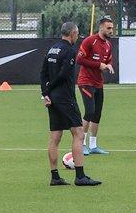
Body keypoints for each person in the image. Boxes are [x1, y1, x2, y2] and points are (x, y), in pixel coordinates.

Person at [41, 22, 100, 186]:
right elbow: (64, 74)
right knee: (79, 133)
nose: (78, 36)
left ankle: (55, 177)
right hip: (65, 97)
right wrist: (51, 88)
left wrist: (45, 92)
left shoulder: (52, 49)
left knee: (55, 136)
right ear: (72, 33)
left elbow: (43, 72)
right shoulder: (69, 50)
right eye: (77, 34)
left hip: (52, 97)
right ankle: (80, 176)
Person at [77, 16, 115, 155]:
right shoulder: (89, 41)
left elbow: (108, 60)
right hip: (86, 81)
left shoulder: (108, 45)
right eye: (109, 28)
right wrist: (99, 65)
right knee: (90, 111)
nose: (111, 30)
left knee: (97, 114)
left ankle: (93, 145)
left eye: (112, 28)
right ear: (101, 27)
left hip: (98, 82)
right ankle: (81, 144)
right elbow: (79, 59)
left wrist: (109, 66)